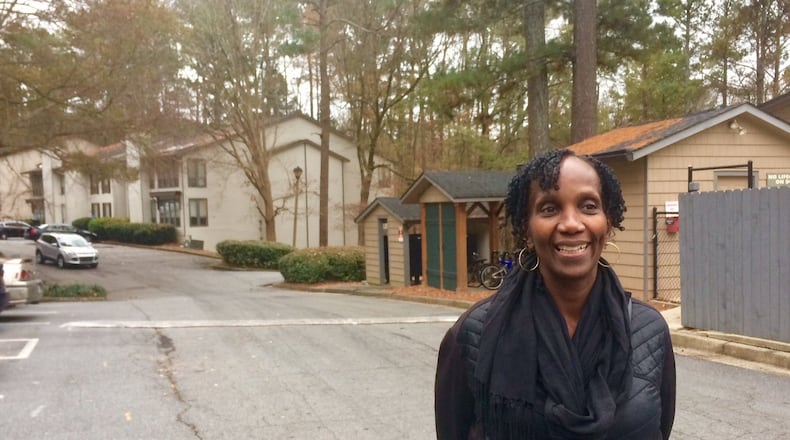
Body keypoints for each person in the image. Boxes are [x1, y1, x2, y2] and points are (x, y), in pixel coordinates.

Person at [435, 149, 675, 439]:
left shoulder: (648, 329)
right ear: (527, 228)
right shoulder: (473, 333)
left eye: (588, 206)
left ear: (608, 223)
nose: (571, 224)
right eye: (549, 208)